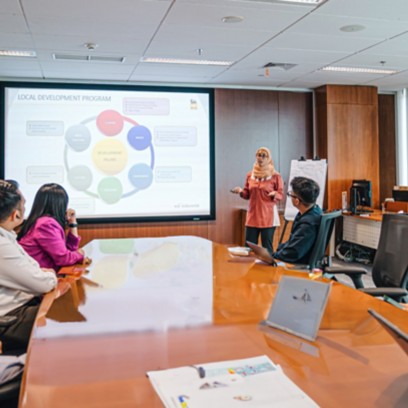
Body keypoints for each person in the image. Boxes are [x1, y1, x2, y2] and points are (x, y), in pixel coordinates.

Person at [0, 180, 57, 353]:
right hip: (9, 319)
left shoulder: (7, 236)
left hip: (18, 310)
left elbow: (33, 268)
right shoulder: (2, 244)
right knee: (61, 322)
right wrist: (50, 275)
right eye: (24, 203)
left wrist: (43, 274)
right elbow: (42, 283)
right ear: (15, 215)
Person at [18, 183, 89, 272]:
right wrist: (79, 254)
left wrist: (72, 223)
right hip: (40, 278)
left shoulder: (41, 221)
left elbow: (69, 251)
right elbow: (64, 259)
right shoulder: (46, 224)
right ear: (60, 204)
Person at [231, 147, 284, 254]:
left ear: (268, 158)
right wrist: (241, 191)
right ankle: (250, 270)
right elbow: (247, 194)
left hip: (268, 217)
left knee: (266, 248)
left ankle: (269, 270)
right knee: (249, 248)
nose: (260, 158)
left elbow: (280, 194)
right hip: (252, 216)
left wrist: (275, 194)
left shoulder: (275, 176)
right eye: (258, 155)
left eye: (263, 155)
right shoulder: (250, 175)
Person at [272, 176, 322, 264]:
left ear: (296, 201)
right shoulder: (315, 211)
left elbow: (292, 253)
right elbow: (293, 243)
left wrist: (273, 256)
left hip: (298, 265)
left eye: (291, 194)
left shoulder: (307, 224)